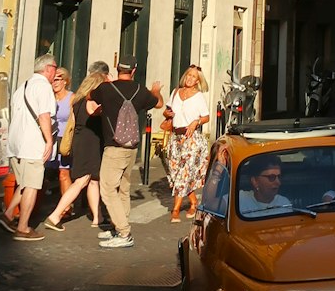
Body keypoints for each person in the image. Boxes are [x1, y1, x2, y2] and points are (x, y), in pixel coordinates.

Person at [91, 59, 164, 249]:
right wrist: (156, 89)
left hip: (114, 147)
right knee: (123, 188)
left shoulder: (106, 89)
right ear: (134, 70)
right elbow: (158, 104)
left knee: (107, 190)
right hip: (132, 148)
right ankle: (119, 227)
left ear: (117, 68)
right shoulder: (141, 90)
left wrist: (105, 82)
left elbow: (91, 95)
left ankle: (124, 233)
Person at [42, 63, 110, 233]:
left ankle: (97, 217)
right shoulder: (93, 102)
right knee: (81, 180)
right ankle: (55, 216)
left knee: (93, 180)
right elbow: (100, 115)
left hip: (80, 140)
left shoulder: (76, 100)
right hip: (91, 142)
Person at [1, 52, 57, 241]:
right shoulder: (44, 88)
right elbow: (44, 116)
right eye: (55, 68)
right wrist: (49, 140)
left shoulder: (22, 86)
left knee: (24, 182)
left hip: (16, 142)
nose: (56, 73)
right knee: (32, 185)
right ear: (48, 68)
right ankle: (23, 228)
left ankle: (8, 214)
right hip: (32, 144)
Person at [165, 64, 210, 222]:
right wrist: (167, 113)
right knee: (176, 173)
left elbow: (206, 116)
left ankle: (175, 210)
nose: (190, 79)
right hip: (175, 138)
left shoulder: (198, 96)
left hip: (191, 139)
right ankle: (194, 202)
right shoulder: (176, 92)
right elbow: (168, 110)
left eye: (194, 77)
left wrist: (195, 122)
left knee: (183, 175)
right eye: (189, 75)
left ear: (198, 81)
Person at [50, 67, 74, 205]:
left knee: (63, 173)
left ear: (65, 81)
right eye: (53, 79)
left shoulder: (71, 98)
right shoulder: (49, 97)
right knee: (45, 175)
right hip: (50, 140)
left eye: (58, 79)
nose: (55, 82)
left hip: (64, 140)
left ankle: (67, 206)